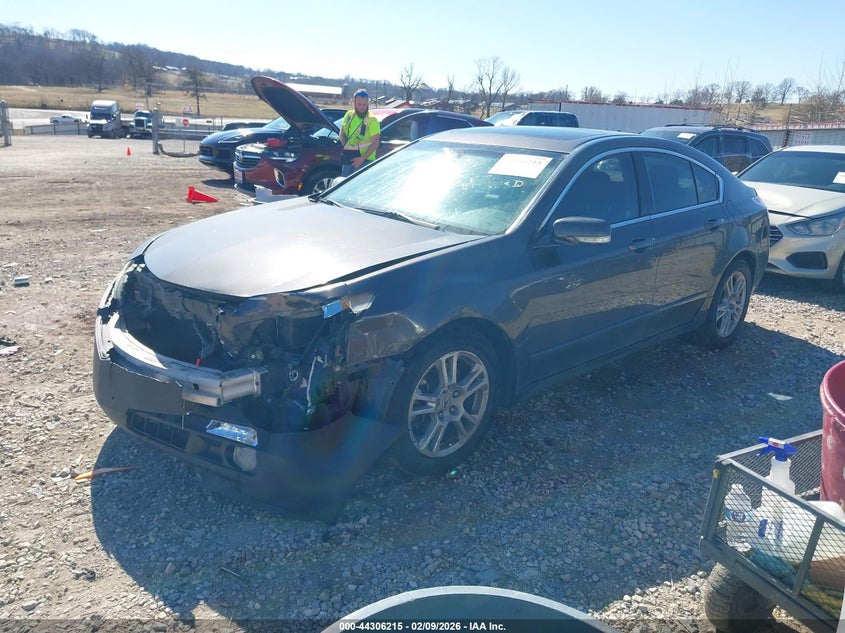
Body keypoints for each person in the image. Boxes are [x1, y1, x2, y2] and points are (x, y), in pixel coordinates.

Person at [339, 88, 381, 177]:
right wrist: (346, 147)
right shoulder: (348, 115)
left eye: (364, 104)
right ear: (353, 103)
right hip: (349, 158)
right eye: (359, 104)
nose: (362, 107)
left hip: (365, 160)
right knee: (344, 186)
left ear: (368, 104)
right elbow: (342, 134)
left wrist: (362, 159)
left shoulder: (372, 120)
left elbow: (375, 143)